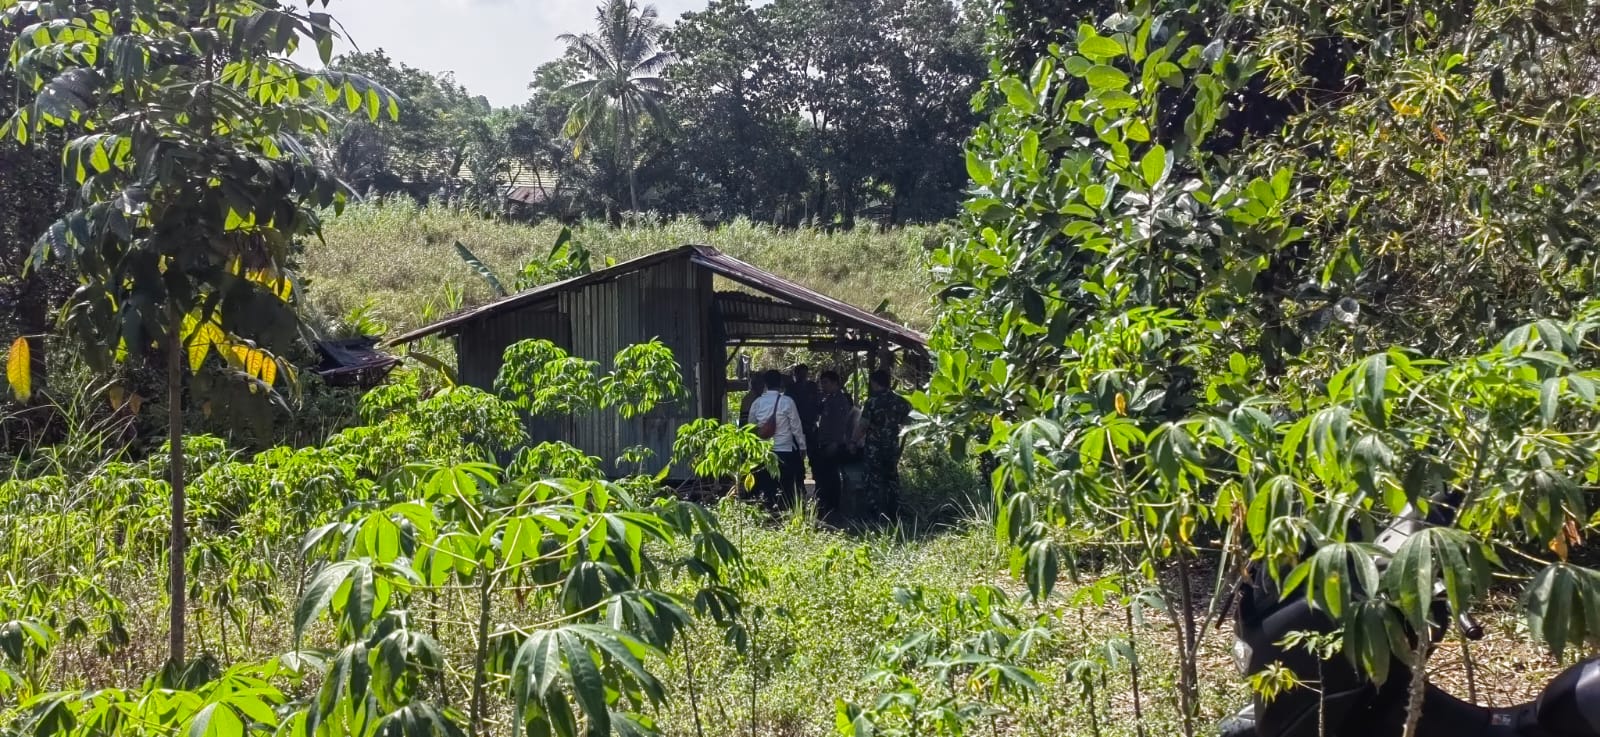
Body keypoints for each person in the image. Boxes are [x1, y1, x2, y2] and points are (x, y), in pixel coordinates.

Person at [854, 369, 911, 521]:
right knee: (891, 478)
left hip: (874, 448)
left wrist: (853, 441)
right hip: (892, 446)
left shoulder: (872, 402)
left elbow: (863, 426)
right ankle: (895, 512)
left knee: (872, 479)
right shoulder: (900, 401)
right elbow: (908, 424)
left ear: (874, 383)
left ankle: (873, 513)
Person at [748, 369, 807, 508]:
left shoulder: (757, 403)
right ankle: (786, 513)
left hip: (764, 451)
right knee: (786, 487)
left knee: (767, 487)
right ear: (780, 382)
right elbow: (796, 427)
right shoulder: (787, 402)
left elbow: (750, 427)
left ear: (765, 383)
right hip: (785, 450)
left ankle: (768, 513)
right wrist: (802, 446)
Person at [811, 370, 853, 517]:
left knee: (831, 476)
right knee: (824, 475)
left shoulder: (840, 400)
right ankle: (825, 504)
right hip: (824, 442)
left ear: (835, 383)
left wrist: (835, 442)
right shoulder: (828, 399)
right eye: (822, 383)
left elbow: (842, 424)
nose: (823, 385)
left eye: (826, 382)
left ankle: (833, 505)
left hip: (833, 443)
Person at [787, 364, 821, 489]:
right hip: (796, 427)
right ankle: (799, 484)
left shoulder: (812, 387)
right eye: (800, 374)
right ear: (795, 375)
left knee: (814, 457)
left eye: (804, 374)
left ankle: (817, 482)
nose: (802, 377)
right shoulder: (791, 388)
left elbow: (818, 405)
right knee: (796, 458)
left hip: (810, 425)